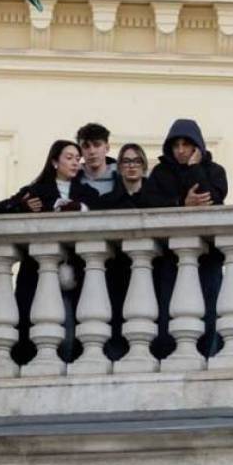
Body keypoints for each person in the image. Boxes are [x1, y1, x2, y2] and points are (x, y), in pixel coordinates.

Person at [0, 141, 99, 362]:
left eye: (77, 159)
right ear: (54, 161)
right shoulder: (36, 191)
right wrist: (24, 207)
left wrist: (81, 209)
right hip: (38, 273)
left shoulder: (87, 192)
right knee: (34, 333)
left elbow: (104, 212)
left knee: (71, 335)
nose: (74, 162)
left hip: (74, 272)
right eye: (68, 157)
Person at [143, 119, 228, 358]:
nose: (180, 150)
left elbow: (210, 199)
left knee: (209, 312)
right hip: (170, 258)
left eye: (186, 145)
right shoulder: (160, 173)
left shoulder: (215, 171)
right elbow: (149, 203)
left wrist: (194, 169)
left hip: (208, 256)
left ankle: (206, 355)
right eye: (175, 145)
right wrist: (181, 204)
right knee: (167, 313)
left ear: (197, 147)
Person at [98, 143, 152, 360]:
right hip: (116, 270)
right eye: (127, 161)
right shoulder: (107, 203)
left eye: (137, 161)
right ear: (119, 167)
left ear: (144, 166)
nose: (132, 166)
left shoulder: (157, 201)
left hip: (148, 269)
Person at [76, 123, 118, 201]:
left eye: (97, 145)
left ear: (107, 148)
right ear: (80, 150)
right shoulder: (72, 179)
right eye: (86, 146)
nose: (92, 151)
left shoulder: (122, 177)